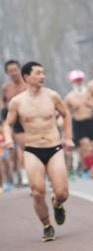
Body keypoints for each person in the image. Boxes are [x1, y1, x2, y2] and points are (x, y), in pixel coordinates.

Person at [4, 61, 74, 241]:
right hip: (32, 150)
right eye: (38, 73)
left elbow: (66, 114)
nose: (42, 76)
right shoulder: (17, 101)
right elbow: (8, 124)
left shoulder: (52, 96)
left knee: (62, 193)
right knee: (37, 192)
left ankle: (57, 204)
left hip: (54, 148)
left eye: (43, 72)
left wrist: (68, 137)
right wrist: (9, 139)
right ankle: (46, 225)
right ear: (27, 77)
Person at [64, 70, 93, 179]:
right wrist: (72, 109)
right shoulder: (69, 96)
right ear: (72, 82)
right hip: (79, 123)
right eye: (76, 80)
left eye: (80, 80)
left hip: (91, 122)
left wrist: (91, 105)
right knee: (86, 146)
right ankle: (90, 170)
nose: (78, 82)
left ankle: (88, 165)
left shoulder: (89, 93)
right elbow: (64, 112)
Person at [2, 59, 28, 187]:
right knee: (23, 149)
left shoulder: (28, 83)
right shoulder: (6, 88)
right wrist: (6, 127)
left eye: (15, 70)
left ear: (20, 69)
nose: (13, 73)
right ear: (7, 73)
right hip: (16, 122)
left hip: (31, 119)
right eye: (10, 71)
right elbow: (3, 106)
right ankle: (24, 178)